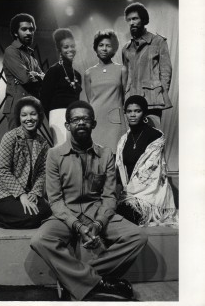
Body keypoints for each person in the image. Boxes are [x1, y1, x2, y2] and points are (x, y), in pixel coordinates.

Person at [30, 101, 147, 301]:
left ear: (93, 124)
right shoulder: (54, 155)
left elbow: (110, 196)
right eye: (75, 119)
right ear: (68, 126)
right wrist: (76, 225)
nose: (81, 123)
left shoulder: (106, 155)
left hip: (97, 211)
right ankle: (98, 282)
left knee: (138, 237)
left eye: (85, 119)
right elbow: (55, 200)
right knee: (39, 240)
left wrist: (99, 223)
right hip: (66, 213)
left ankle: (74, 278)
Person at [0, 96, 51, 229]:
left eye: (33, 114)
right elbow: (3, 170)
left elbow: (42, 172)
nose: (29, 119)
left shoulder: (42, 142)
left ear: (39, 116)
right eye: (24, 115)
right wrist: (22, 195)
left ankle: (16, 214)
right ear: (19, 118)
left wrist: (34, 192)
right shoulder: (10, 137)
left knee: (47, 211)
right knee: (32, 218)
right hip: (4, 192)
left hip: (28, 192)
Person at [116, 95, 178, 227]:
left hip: (148, 196)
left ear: (144, 112)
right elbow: (120, 169)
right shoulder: (123, 140)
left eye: (137, 111)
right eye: (129, 111)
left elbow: (150, 171)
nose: (133, 115)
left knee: (126, 215)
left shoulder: (155, 136)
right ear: (125, 113)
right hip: (126, 194)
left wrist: (130, 195)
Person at [122, 2, 172, 128]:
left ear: (144, 20)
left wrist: (159, 91)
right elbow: (125, 75)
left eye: (135, 18)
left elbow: (166, 72)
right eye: (129, 20)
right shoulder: (126, 48)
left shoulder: (158, 42)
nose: (132, 22)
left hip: (152, 101)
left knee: (153, 140)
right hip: (132, 102)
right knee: (135, 141)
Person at [84, 30, 127, 154]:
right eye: (101, 45)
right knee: (96, 155)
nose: (104, 49)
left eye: (108, 46)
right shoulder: (88, 73)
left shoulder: (122, 69)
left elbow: (125, 96)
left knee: (116, 154)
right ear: (96, 48)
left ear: (114, 49)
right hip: (96, 119)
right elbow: (90, 99)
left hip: (115, 119)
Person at [40, 28, 82, 146]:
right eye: (66, 47)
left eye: (72, 46)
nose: (70, 50)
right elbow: (44, 99)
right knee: (63, 151)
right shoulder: (54, 71)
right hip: (58, 116)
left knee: (77, 150)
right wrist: (53, 120)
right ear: (60, 50)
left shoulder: (77, 74)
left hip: (74, 116)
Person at [3, 13, 45, 130]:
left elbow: (45, 80)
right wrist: (37, 75)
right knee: (18, 144)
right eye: (24, 29)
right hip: (17, 107)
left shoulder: (31, 57)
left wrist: (35, 75)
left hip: (32, 107)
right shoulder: (11, 51)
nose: (29, 32)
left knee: (32, 145)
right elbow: (25, 78)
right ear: (16, 32)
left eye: (31, 29)